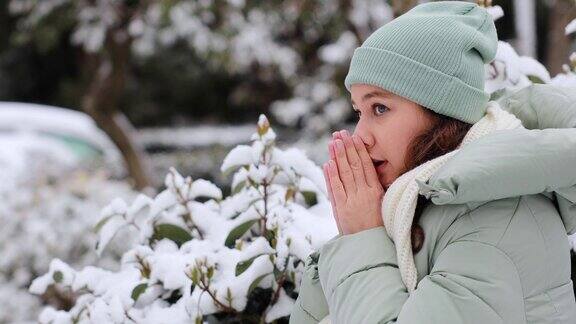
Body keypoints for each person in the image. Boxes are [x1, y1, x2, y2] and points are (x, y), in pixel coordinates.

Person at [289, 1, 576, 323]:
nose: (361, 136)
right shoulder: (410, 204)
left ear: (441, 112)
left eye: (380, 108)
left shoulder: (496, 223)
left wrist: (361, 238)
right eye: (359, 112)